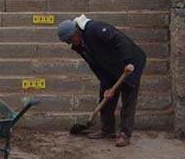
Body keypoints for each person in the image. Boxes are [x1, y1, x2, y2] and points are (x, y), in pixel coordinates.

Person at [57, 16, 147, 147]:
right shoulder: (80, 46)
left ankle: (125, 134)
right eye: (67, 42)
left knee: (128, 96)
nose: (70, 43)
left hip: (130, 63)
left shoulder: (94, 29)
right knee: (105, 96)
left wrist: (128, 61)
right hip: (109, 66)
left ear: (76, 32)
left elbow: (120, 40)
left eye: (70, 39)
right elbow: (95, 66)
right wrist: (106, 85)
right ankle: (107, 129)